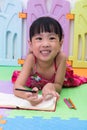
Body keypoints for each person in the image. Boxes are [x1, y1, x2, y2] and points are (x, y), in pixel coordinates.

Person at [13, 16, 67, 105]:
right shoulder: (31, 59)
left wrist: (51, 86)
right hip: (34, 82)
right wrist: (27, 95)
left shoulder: (61, 58)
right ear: (30, 44)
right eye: (39, 38)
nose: (45, 44)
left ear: (60, 43)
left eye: (52, 38)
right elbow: (17, 87)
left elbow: (58, 84)